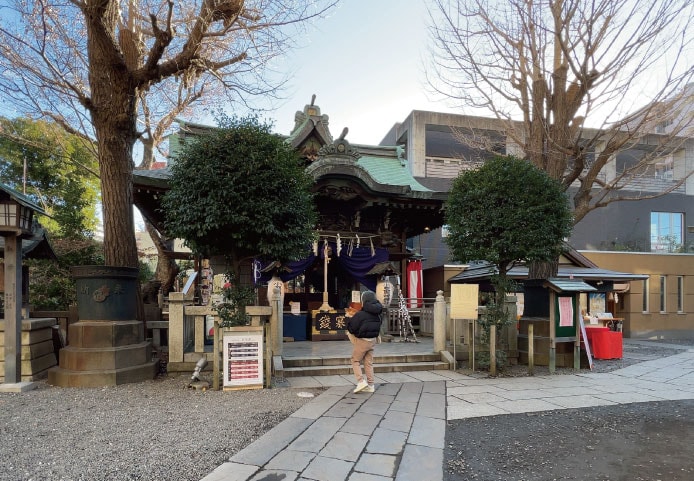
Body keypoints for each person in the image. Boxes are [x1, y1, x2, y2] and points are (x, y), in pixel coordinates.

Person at [347, 290, 383, 393]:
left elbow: (351, 328)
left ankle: (361, 381)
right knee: (368, 363)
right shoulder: (378, 314)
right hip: (373, 341)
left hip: (363, 341)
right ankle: (371, 385)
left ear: (364, 301)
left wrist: (350, 318)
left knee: (355, 360)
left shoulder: (360, 314)